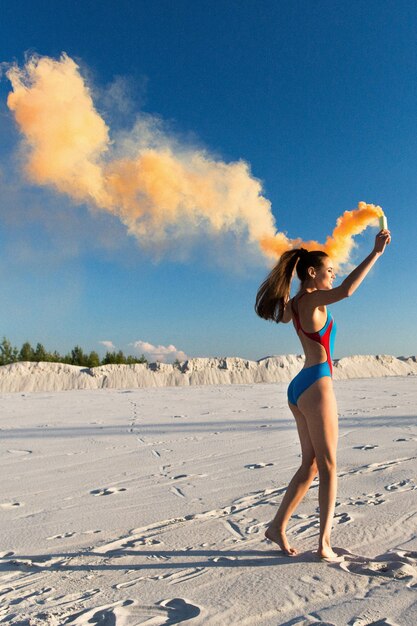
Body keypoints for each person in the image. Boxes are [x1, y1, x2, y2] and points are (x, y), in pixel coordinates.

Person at [254, 228, 391, 560]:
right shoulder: (312, 298)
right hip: (316, 383)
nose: (334, 275)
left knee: (311, 465)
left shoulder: (295, 304)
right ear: (312, 273)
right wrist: (375, 253)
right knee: (329, 466)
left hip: (299, 386)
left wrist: (290, 280)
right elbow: (346, 291)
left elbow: (284, 310)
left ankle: (276, 527)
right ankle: (324, 544)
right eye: (329, 270)